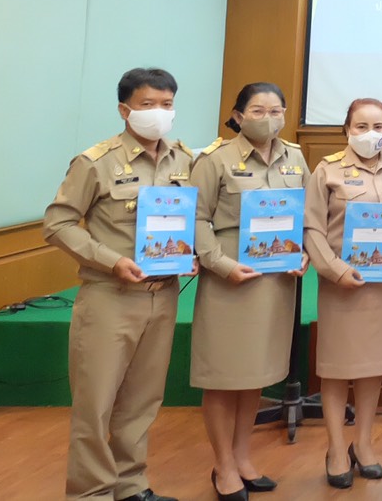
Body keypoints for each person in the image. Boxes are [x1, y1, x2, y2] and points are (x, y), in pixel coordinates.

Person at [43, 67, 194, 501]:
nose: (159, 114)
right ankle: (91, 492)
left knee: (142, 402)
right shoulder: (96, 161)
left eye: (167, 105)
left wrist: (195, 253)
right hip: (110, 296)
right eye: (148, 105)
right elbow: (58, 223)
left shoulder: (184, 158)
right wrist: (111, 261)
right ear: (124, 109)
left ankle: (131, 486)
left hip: (163, 296)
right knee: (96, 406)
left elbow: (192, 220)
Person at [190, 82, 309, 500]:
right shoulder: (214, 159)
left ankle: (242, 458)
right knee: (225, 376)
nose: (269, 118)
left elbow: (304, 213)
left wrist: (304, 253)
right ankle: (222, 466)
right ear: (238, 116)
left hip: (275, 281)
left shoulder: (294, 156)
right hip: (231, 279)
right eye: (258, 111)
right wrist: (220, 264)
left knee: (254, 373)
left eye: (276, 110)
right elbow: (196, 218)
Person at [303, 98, 382, 489]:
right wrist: (334, 270)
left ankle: (364, 444)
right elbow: (312, 228)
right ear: (346, 129)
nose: (372, 134)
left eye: (379, 126)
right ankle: (336, 448)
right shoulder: (327, 170)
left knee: (373, 366)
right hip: (341, 283)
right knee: (336, 369)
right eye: (362, 126)